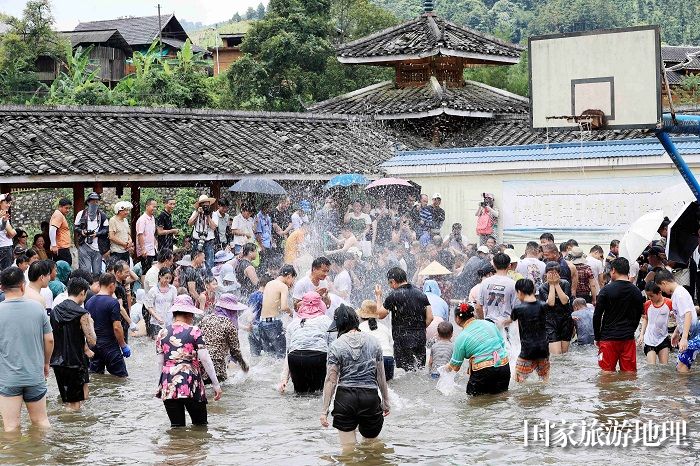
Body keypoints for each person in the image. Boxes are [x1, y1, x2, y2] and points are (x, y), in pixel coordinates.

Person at [321, 305, 390, 448]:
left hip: (345, 399)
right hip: (370, 398)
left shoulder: (336, 345)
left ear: (339, 325)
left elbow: (330, 381)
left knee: (348, 451)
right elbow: (381, 376)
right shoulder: (374, 342)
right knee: (372, 448)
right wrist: (385, 401)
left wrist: (324, 411)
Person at [156, 295, 222, 427]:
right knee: (200, 426)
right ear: (189, 314)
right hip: (191, 382)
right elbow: (205, 359)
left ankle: (179, 447)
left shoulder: (162, 333)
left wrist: (161, 385)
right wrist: (216, 384)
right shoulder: (195, 331)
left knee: (177, 428)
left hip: (169, 383)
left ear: (175, 314)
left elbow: (160, 362)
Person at [0, 267, 53, 432]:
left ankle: (17, 458)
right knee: (41, 422)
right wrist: (46, 364)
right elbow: (50, 339)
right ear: (23, 286)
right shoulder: (37, 308)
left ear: (1, 287)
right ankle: (42, 456)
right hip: (34, 375)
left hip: (8, 378)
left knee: (10, 427)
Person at [50, 277, 96, 410]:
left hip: (58, 362)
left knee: (67, 401)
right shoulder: (82, 314)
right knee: (75, 404)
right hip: (75, 363)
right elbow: (92, 341)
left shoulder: (55, 311)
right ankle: (69, 428)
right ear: (82, 292)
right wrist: (91, 324)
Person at [376, 267, 433, 371]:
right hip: (420, 338)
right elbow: (430, 317)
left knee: (404, 372)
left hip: (402, 340)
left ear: (392, 281)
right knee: (419, 370)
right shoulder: (421, 293)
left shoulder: (394, 295)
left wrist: (378, 296)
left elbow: (380, 315)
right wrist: (419, 329)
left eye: (390, 283)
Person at [445, 303, 510, 396]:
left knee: (475, 403)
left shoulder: (462, 337)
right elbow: (502, 344)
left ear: (457, 319)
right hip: (503, 366)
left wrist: (443, 369)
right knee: (501, 398)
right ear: (473, 314)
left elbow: (455, 366)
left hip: (483, 372)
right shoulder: (489, 324)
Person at [594, 257, 644, 373]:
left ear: (613, 270)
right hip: (628, 338)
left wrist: (597, 336)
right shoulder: (636, 291)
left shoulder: (606, 290)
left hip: (608, 338)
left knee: (606, 373)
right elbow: (638, 315)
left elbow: (597, 316)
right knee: (630, 373)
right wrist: (631, 330)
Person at [279, 291, 335, 394]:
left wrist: (283, 379)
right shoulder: (327, 321)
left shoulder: (293, 323)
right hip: (318, 357)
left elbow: (288, 352)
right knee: (319, 395)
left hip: (295, 359)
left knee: (300, 395)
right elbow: (333, 350)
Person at [655, 269, 700, 373]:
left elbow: (688, 314)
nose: (662, 291)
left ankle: (684, 388)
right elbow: (682, 318)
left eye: (661, 288)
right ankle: (688, 387)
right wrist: (676, 332)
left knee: (681, 367)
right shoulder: (676, 293)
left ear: (664, 283)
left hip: (694, 331)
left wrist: (684, 338)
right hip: (689, 331)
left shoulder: (679, 294)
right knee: (681, 365)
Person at [86, 273, 130, 378]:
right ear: (111, 285)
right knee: (121, 378)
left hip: (94, 347)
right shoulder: (113, 302)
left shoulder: (89, 302)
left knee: (96, 377)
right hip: (110, 347)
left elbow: (87, 326)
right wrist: (123, 346)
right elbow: (117, 327)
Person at [199, 294, 249, 384]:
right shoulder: (230, 324)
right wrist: (243, 364)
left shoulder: (205, 319)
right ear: (231, 310)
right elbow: (235, 350)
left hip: (201, 363)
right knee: (220, 394)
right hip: (217, 366)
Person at [508, 279, 549, 383]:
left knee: (518, 378)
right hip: (543, 348)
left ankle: (526, 399)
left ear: (520, 292)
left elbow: (510, 320)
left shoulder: (518, 309)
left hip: (527, 350)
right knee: (544, 379)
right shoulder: (543, 305)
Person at [260, 265, 297, 358]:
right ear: (289, 276)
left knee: (270, 356)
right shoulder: (283, 286)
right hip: (273, 324)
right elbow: (284, 307)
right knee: (282, 356)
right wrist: (292, 313)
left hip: (262, 323)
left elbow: (272, 303)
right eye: (293, 279)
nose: (293, 282)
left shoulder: (269, 283)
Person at [539, 261, 573, 355]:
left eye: (555, 273)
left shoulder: (565, 283)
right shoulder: (543, 287)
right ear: (546, 274)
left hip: (565, 320)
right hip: (550, 321)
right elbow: (551, 303)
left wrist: (556, 284)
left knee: (564, 354)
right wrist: (551, 285)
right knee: (556, 354)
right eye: (550, 273)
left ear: (559, 273)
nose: (553, 275)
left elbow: (564, 301)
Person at [476, 252, 519, 328]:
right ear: (509, 266)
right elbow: (517, 309)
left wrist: (483, 321)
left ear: (494, 265)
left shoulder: (485, 283)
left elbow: (478, 307)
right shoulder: (513, 284)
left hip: (489, 325)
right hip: (506, 325)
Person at [357, 300, 394, 381]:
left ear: (361, 316)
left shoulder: (360, 328)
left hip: (373, 359)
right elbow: (391, 345)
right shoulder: (384, 327)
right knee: (388, 388)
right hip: (388, 359)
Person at [638, 282, 672, 365]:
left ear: (659, 293)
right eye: (648, 296)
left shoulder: (669, 303)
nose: (650, 298)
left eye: (652, 296)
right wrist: (642, 334)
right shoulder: (647, 304)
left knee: (664, 367)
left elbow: (678, 315)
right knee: (651, 367)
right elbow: (646, 319)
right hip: (649, 339)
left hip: (663, 338)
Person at [75, 192, 109, 275]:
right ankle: (86, 287)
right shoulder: (81, 214)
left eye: (97, 201)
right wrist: (82, 232)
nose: (95, 203)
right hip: (84, 245)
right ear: (88, 202)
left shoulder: (102, 215)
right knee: (85, 271)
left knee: (97, 272)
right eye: (92, 201)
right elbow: (76, 227)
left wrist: (96, 234)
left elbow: (106, 229)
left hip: (97, 247)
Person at [145, 267, 178, 338]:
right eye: (166, 278)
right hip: (156, 321)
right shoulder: (153, 290)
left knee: (169, 341)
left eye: (170, 278)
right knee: (158, 341)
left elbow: (175, 304)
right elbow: (149, 307)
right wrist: (157, 317)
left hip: (169, 320)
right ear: (160, 276)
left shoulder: (173, 289)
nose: (168, 280)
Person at [189, 194, 218, 272]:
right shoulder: (195, 213)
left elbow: (214, 227)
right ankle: (194, 275)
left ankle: (209, 279)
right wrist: (197, 213)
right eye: (204, 205)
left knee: (209, 262)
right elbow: (190, 223)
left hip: (209, 241)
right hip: (196, 240)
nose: (206, 207)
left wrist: (208, 215)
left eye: (207, 205)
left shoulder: (213, 214)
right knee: (195, 260)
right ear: (200, 205)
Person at [245, 275, 269, 357]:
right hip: (261, 327)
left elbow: (249, 312)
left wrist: (249, 324)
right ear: (268, 285)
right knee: (269, 354)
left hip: (252, 327)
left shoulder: (252, 295)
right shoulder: (264, 296)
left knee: (255, 356)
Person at [135, 198, 158, 274]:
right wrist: (143, 249)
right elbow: (140, 234)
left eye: (156, 207)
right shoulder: (142, 219)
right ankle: (145, 286)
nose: (155, 209)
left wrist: (155, 243)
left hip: (152, 249)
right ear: (147, 206)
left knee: (152, 270)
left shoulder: (153, 218)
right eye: (153, 206)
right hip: (145, 250)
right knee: (145, 271)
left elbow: (152, 233)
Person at [49, 198, 73, 265]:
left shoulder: (59, 215)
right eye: (66, 208)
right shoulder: (58, 215)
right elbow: (52, 229)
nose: (68, 210)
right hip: (61, 248)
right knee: (65, 269)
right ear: (60, 206)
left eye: (69, 208)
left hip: (61, 248)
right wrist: (54, 245)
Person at [271, 197, 293, 265]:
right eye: (287, 204)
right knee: (276, 257)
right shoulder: (273, 212)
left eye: (289, 204)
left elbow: (291, 224)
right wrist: (282, 233)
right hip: (275, 239)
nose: (288, 206)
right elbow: (275, 225)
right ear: (281, 202)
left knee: (284, 255)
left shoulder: (286, 212)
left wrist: (284, 232)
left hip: (284, 237)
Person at [254, 202, 274, 273]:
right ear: (264, 208)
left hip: (269, 244)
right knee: (262, 264)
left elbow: (269, 231)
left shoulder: (268, 217)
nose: (269, 210)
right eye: (268, 208)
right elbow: (257, 234)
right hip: (262, 245)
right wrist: (261, 246)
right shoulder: (258, 218)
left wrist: (272, 241)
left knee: (267, 263)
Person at [0, 193, 16, 270]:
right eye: (6, 202)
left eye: (9, 203)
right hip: (5, 247)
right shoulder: (3, 215)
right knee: (6, 273)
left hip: (3, 247)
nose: (8, 205)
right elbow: (11, 233)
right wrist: (16, 231)